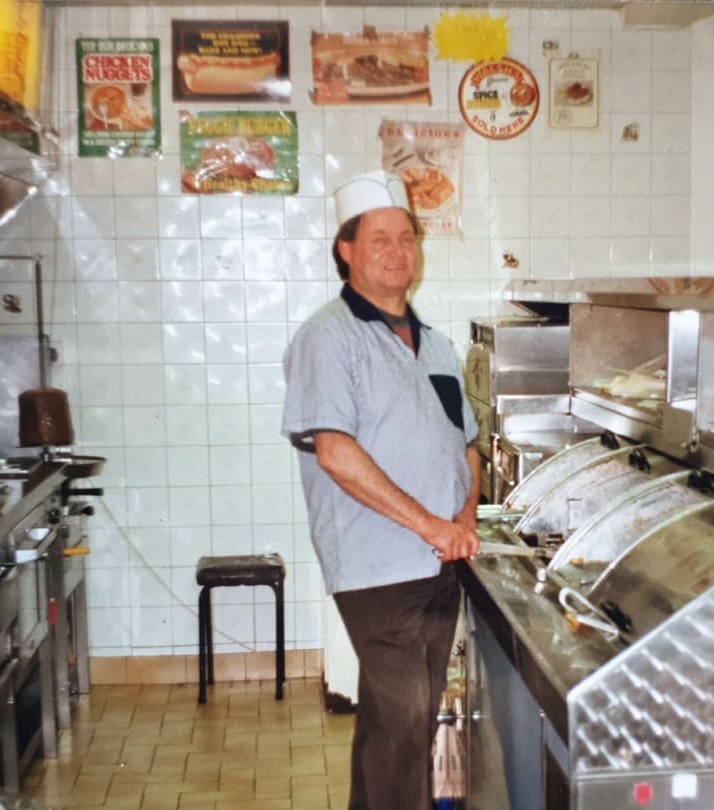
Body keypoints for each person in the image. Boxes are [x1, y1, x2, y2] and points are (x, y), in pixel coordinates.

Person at [281, 170, 481, 810]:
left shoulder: (439, 345)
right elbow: (335, 452)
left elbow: (467, 445)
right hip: (376, 564)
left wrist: (465, 518)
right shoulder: (328, 337)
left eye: (407, 238)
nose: (398, 252)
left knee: (402, 724)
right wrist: (431, 525)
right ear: (347, 249)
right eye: (380, 239)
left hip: (440, 559)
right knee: (404, 724)